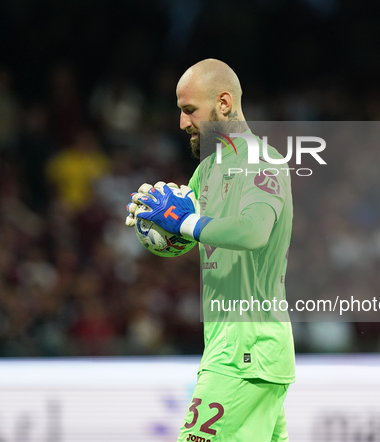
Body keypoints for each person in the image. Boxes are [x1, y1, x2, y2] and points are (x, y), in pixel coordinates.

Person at [126, 59, 295, 442]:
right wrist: (156, 227)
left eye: (190, 111)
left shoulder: (261, 160)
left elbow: (253, 232)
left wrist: (182, 222)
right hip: (235, 352)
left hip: (246, 352)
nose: (183, 123)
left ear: (223, 103)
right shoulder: (208, 170)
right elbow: (198, 235)